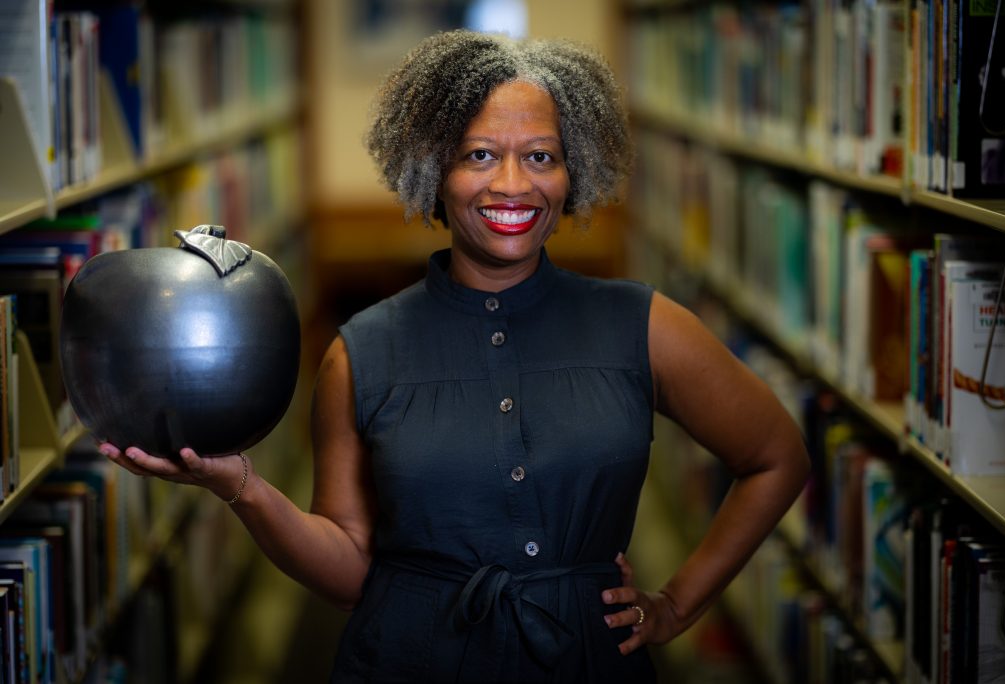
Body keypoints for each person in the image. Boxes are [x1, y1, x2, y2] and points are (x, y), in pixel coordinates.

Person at [100, 29, 810, 683]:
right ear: (432, 169)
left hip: (589, 663)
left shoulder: (645, 324)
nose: (512, 184)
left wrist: (678, 605)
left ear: (574, 171)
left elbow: (777, 455)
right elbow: (351, 569)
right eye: (478, 155)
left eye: (541, 156)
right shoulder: (361, 352)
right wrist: (244, 488)